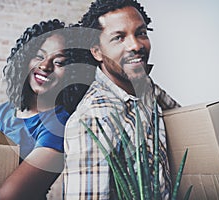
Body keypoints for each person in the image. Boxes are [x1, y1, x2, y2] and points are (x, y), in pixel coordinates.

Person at [63, 0, 180, 199]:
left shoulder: (146, 86)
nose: (135, 45)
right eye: (119, 37)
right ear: (97, 51)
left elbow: (186, 118)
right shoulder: (92, 119)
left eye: (141, 33)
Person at [0, 19, 94, 200]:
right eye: (39, 56)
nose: (45, 66)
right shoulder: (2, 112)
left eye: (59, 62)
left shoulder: (59, 126)